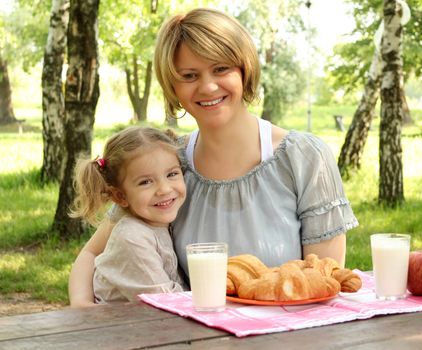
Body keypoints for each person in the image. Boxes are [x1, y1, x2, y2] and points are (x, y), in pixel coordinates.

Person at [68, 8, 358, 307]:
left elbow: (322, 285)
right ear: (173, 87)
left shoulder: (303, 157)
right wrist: (82, 310)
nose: (207, 86)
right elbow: (91, 254)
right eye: (189, 75)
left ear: (244, 70)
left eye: (221, 69)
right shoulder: (168, 165)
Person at [69, 126, 186, 303]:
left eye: (172, 174)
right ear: (120, 196)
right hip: (118, 328)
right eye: (145, 182)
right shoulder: (132, 237)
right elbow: (167, 302)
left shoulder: (156, 224)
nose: (164, 189)